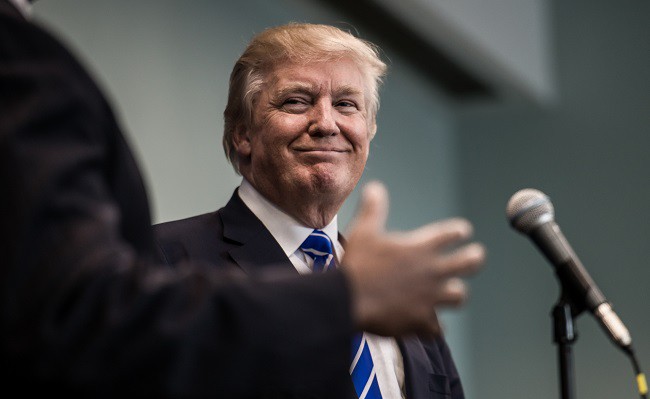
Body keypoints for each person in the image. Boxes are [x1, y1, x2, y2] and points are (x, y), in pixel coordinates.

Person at [154, 23, 484, 399]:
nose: (326, 124)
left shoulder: (400, 299)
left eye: (346, 104)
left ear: (369, 129)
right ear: (243, 133)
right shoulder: (163, 260)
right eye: (296, 101)